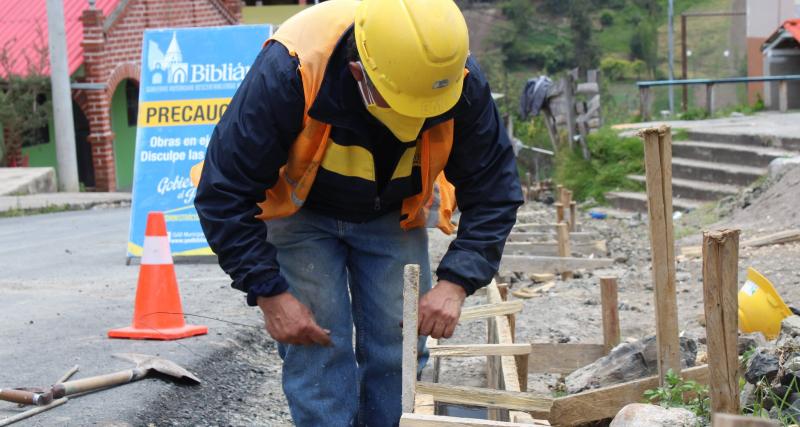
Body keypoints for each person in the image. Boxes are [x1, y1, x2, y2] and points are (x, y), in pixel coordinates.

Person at [194, 0, 522, 425]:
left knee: (399, 342)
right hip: (300, 211)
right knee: (315, 343)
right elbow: (224, 190)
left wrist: (456, 283)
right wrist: (269, 293)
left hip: (391, 212)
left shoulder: (453, 80)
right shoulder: (291, 67)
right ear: (357, 74)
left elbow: (495, 189)